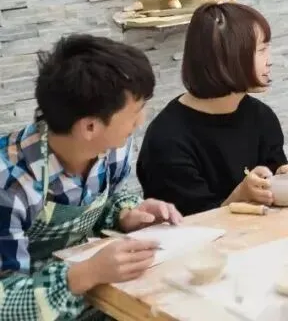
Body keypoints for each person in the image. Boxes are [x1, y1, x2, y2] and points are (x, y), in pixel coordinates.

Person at [0, 35, 182, 320]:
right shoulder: (9, 184)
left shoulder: (113, 149)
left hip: (96, 302)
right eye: (135, 112)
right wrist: (85, 274)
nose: (141, 120)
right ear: (89, 127)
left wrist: (126, 214)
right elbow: (4, 304)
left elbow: (103, 202)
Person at [137, 3, 288, 216]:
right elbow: (188, 223)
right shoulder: (168, 139)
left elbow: (268, 183)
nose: (270, 61)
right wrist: (240, 195)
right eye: (262, 50)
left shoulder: (261, 117)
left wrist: (282, 176)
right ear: (228, 58)